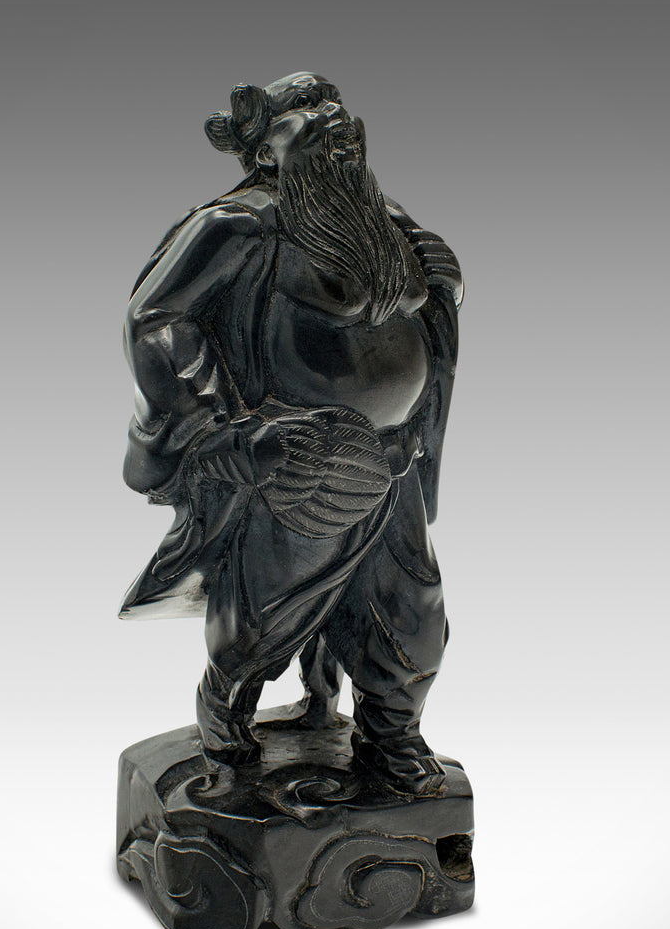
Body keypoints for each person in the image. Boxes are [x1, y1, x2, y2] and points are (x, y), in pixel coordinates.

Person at [119, 73, 462, 795]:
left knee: (412, 615)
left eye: (334, 105)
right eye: (305, 110)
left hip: (391, 462)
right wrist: (228, 431)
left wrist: (444, 285)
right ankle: (226, 727)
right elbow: (156, 320)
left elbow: (417, 309)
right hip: (301, 463)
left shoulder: (382, 220)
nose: (332, 117)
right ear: (263, 150)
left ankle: (391, 737)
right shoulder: (237, 226)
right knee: (262, 623)